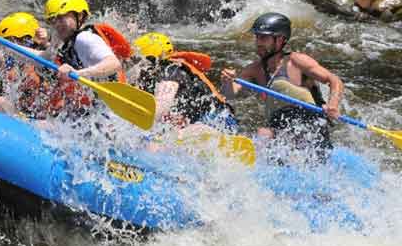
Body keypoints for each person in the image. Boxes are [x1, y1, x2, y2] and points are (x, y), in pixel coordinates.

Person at [221, 12, 343, 155]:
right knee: (263, 134)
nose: (258, 42)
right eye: (257, 37)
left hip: (310, 126)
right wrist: (227, 82)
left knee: (276, 134)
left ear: (280, 40)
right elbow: (229, 95)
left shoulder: (297, 61)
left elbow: (334, 80)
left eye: (264, 37)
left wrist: (333, 104)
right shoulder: (254, 70)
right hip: (280, 126)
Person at [34, 0, 129, 118]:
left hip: (112, 113)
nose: (57, 24)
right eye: (53, 19)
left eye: (62, 17)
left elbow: (114, 64)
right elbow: (39, 58)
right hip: (96, 111)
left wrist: (79, 73)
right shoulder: (66, 44)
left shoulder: (84, 38)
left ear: (79, 16)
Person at [133, 32, 237, 131]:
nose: (136, 67)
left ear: (149, 59)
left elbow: (162, 105)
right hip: (221, 120)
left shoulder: (169, 70)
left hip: (218, 121)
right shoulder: (176, 69)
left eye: (137, 61)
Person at [0, 12, 52, 117]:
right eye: (6, 42)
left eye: (12, 42)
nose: (7, 49)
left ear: (27, 40)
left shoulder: (45, 61)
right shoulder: (6, 63)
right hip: (22, 115)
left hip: (46, 117)